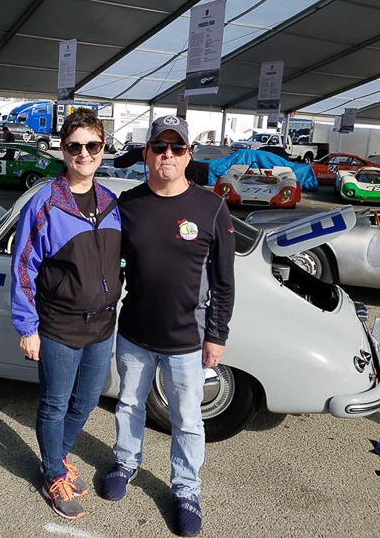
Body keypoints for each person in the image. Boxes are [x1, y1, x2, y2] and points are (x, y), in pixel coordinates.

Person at [101, 115, 235, 537]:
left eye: (177, 148)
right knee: (127, 404)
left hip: (186, 340)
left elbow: (224, 281)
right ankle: (126, 462)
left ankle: (186, 490)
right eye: (159, 148)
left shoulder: (210, 207)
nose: (168, 155)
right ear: (145, 154)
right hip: (135, 333)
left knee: (188, 419)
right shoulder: (128, 205)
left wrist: (217, 335)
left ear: (189, 155)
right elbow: (109, 266)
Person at [10, 108, 122, 520]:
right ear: (62, 150)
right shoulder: (45, 202)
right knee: (55, 404)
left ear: (103, 149)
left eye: (92, 145)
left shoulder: (111, 202)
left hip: (102, 323)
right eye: (75, 146)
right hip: (58, 324)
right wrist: (27, 327)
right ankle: (54, 473)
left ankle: (54, 457)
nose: (84, 154)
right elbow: (24, 266)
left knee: (88, 399)